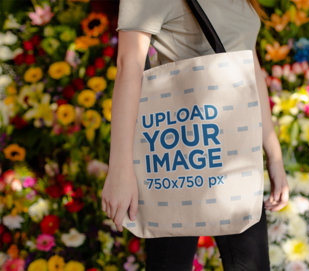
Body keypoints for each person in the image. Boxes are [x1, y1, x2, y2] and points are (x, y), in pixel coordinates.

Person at [101, 0, 289, 270]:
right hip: (175, 155)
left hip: (235, 151)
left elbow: (250, 69)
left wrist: (274, 156)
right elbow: (128, 66)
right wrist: (120, 169)